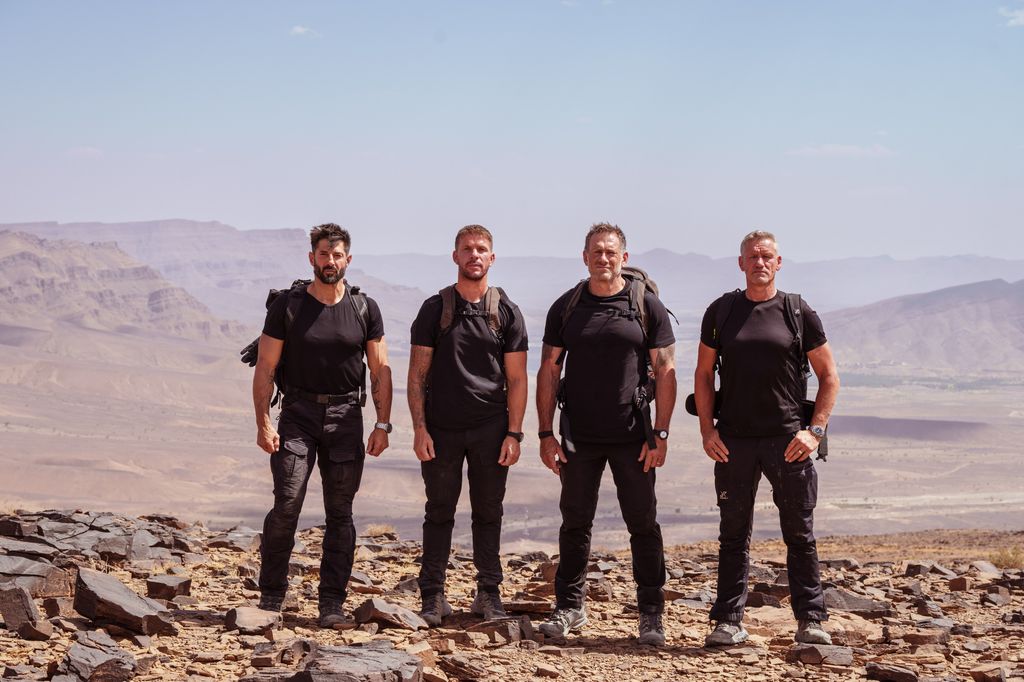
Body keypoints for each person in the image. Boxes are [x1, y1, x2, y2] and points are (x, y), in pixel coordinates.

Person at [694, 230, 839, 647]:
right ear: (741, 263)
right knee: (733, 534)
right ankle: (727, 621)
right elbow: (704, 375)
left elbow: (830, 376)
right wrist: (708, 430)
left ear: (779, 263)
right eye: (752, 256)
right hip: (734, 441)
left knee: (799, 534)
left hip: (787, 440)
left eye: (767, 256)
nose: (759, 262)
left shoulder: (798, 311)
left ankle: (811, 620)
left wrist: (815, 431)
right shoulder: (721, 311)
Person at [535, 223, 677, 646]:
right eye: (596, 251)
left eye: (611, 252)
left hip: (634, 435)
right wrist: (545, 433)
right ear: (584, 257)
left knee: (643, 523)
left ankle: (651, 613)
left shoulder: (644, 305)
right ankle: (570, 607)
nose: (603, 258)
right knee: (575, 521)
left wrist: (662, 434)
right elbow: (548, 370)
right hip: (579, 434)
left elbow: (666, 371)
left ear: (623, 258)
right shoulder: (567, 307)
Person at [252, 223, 393, 628]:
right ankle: (272, 596)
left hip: (347, 418)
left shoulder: (365, 308)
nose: (330, 261)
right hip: (297, 415)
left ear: (348, 259)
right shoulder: (288, 306)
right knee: (287, 504)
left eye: (337, 255)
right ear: (311, 258)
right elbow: (266, 367)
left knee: (340, 514)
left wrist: (383, 423)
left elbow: (380, 369)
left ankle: (331, 603)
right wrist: (264, 423)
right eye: (323, 254)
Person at [407, 225, 529, 625]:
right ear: (455, 256)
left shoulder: (506, 312)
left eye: (481, 250)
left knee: (488, 512)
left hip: (491, 430)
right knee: (438, 511)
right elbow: (416, 376)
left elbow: (517, 379)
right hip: (440, 430)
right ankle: (432, 595)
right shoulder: (435, 309)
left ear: (491, 258)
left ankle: (488, 594)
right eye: (467, 249)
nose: (474, 255)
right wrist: (419, 429)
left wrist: (514, 432)